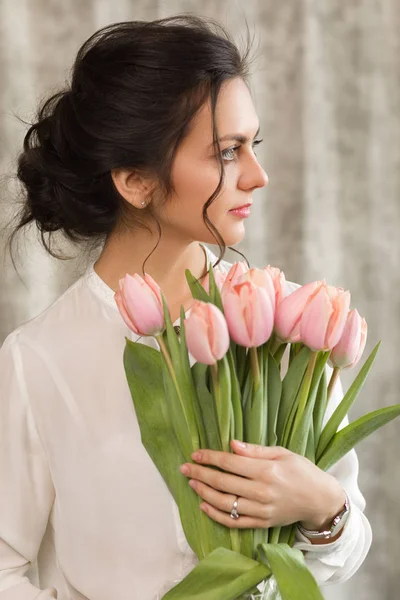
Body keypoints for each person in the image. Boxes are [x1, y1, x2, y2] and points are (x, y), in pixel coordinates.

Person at [0, 15, 371, 600]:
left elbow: (345, 551)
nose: (258, 176)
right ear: (135, 181)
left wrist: (322, 505)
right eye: (228, 152)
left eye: (254, 146)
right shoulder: (39, 359)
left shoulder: (284, 321)